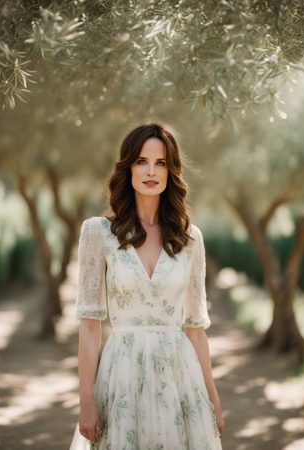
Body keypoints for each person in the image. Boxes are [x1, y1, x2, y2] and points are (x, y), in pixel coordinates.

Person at [69, 122, 224, 449]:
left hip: (179, 379)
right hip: (120, 377)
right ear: (127, 168)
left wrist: (213, 399)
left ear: (171, 172)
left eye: (161, 162)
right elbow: (89, 326)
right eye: (141, 161)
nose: (151, 170)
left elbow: (196, 329)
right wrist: (85, 402)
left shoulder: (190, 239)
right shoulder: (99, 233)